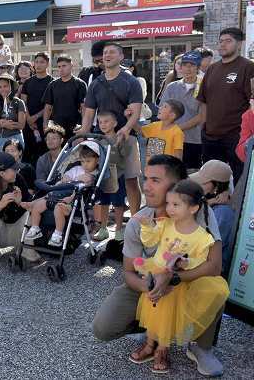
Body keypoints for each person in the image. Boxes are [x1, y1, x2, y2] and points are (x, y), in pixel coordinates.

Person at [92, 155, 226, 377]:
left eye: (155, 180)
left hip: (187, 282)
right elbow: (128, 271)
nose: (146, 187)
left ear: (177, 185)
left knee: (216, 287)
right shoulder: (140, 220)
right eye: (146, 179)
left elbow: (215, 265)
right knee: (103, 328)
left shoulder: (200, 211)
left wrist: (173, 280)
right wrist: (152, 288)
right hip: (149, 284)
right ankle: (152, 328)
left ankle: (201, 346)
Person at [130, 180, 229, 374]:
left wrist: (186, 264)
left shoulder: (203, 236)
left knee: (167, 315)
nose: (170, 208)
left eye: (176, 205)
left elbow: (200, 261)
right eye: (168, 203)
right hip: (157, 271)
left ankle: (162, 349)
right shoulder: (166, 224)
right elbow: (149, 240)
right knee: (152, 309)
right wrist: (148, 227)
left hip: (177, 282)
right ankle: (149, 344)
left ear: (193, 208)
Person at [78, 41, 143, 215]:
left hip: (127, 138)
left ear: (121, 56)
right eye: (105, 53)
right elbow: (89, 113)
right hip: (103, 139)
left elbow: (136, 111)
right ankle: (103, 225)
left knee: (130, 180)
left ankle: (136, 221)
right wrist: (83, 135)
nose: (107, 55)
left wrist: (127, 128)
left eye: (112, 52)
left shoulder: (131, 81)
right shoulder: (96, 83)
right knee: (105, 180)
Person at [198, 27, 254, 182]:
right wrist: (204, 127)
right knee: (211, 182)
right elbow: (204, 101)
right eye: (221, 41)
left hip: (236, 135)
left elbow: (252, 102)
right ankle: (213, 206)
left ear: (239, 44)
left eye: (228, 41)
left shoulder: (248, 67)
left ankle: (236, 207)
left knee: (241, 180)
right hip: (211, 136)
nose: (222, 45)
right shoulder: (212, 69)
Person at [24, 142, 100, 246]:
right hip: (58, 193)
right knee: (39, 205)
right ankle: (35, 228)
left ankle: (58, 235)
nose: (85, 164)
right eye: (82, 161)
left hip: (72, 198)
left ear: (97, 160)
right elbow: (66, 176)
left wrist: (78, 181)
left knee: (58, 208)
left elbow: (84, 187)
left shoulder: (93, 175)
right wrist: (66, 178)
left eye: (88, 161)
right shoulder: (76, 169)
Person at [159, 51, 205, 169]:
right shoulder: (172, 86)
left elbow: (201, 116)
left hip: (193, 139)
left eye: (192, 65)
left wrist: (177, 129)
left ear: (198, 68)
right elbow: (163, 110)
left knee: (191, 174)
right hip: (171, 139)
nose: (188, 69)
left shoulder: (203, 86)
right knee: (171, 172)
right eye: (185, 65)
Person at [190, 160, 235, 274]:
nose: (198, 184)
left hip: (205, 269)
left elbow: (207, 250)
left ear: (217, 186)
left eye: (204, 182)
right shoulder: (208, 202)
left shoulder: (223, 213)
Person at [94, 111, 129, 241]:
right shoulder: (99, 140)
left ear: (114, 123)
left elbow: (124, 155)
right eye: (100, 122)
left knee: (118, 204)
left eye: (106, 121)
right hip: (103, 176)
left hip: (117, 175)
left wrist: (120, 145)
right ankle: (103, 228)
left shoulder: (119, 138)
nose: (102, 124)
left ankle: (119, 229)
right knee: (104, 202)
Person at [42, 54, 87, 140]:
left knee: (74, 152)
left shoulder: (80, 84)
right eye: (59, 66)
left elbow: (84, 107)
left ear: (71, 66)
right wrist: (45, 125)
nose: (61, 69)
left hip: (75, 127)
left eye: (64, 66)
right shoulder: (53, 85)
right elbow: (47, 107)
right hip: (57, 128)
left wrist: (84, 126)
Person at [21, 52, 52, 163]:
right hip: (28, 123)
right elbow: (23, 101)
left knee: (44, 153)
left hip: (45, 123)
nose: (38, 65)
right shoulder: (28, 82)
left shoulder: (52, 82)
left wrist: (36, 117)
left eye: (42, 62)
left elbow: (51, 105)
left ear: (47, 64)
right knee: (28, 153)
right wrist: (28, 118)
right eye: (36, 62)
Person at [0, 73, 26, 155]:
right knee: (0, 166)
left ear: (11, 87)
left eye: (5, 86)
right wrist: (1, 124)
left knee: (14, 165)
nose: (3, 89)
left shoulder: (19, 102)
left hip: (15, 140)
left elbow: (21, 125)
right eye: (0, 87)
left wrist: (8, 124)